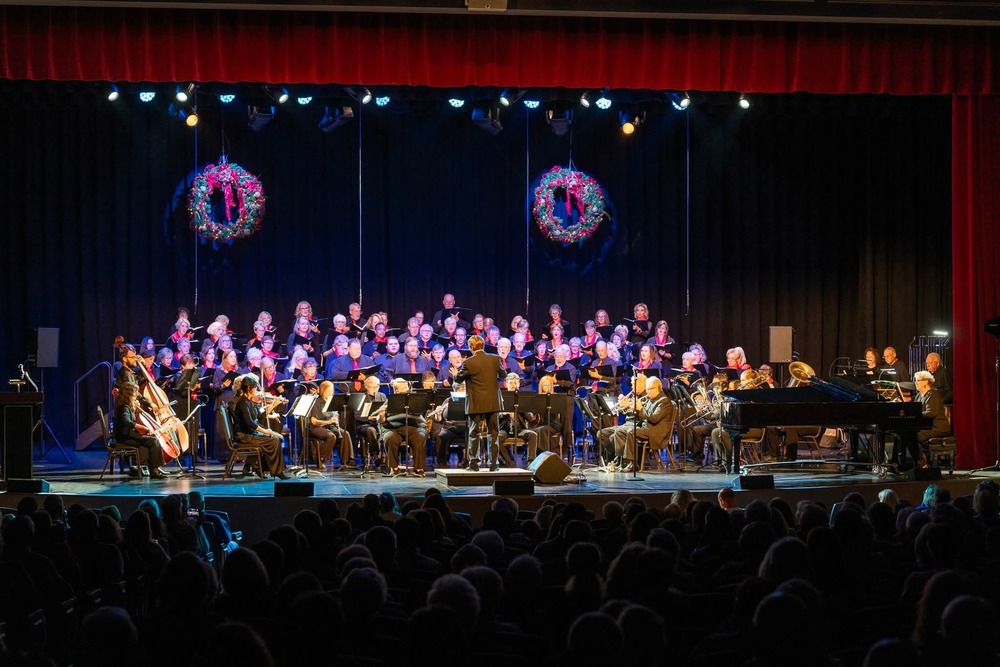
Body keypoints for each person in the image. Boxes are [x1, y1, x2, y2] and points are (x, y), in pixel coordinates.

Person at [453, 335, 505, 471]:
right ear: (483, 345)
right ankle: (494, 464)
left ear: (471, 347)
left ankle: (474, 464)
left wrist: (454, 373)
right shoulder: (495, 359)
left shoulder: (469, 362)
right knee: (494, 432)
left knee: (473, 433)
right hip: (493, 402)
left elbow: (458, 380)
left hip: (476, 402)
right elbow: (504, 375)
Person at [228, 375, 288, 479]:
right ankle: (275, 471)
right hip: (244, 436)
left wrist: (273, 404)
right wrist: (265, 431)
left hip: (249, 433)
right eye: (255, 388)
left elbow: (260, 416)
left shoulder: (248, 402)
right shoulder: (242, 403)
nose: (256, 390)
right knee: (274, 441)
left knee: (276, 438)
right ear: (249, 389)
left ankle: (263, 468)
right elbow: (250, 423)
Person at [612, 376, 675, 471]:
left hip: (656, 432)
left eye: (649, 389)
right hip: (647, 428)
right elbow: (644, 416)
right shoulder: (651, 399)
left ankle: (632, 463)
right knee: (620, 432)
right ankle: (621, 462)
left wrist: (640, 408)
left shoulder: (664, 401)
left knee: (631, 432)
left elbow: (654, 418)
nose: (647, 392)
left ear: (656, 388)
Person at [898, 370, 951, 469]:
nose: (915, 383)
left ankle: (921, 464)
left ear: (926, 382)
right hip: (927, 426)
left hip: (937, 427)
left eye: (918, 380)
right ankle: (902, 463)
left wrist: (916, 415)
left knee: (913, 436)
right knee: (903, 434)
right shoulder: (919, 395)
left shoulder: (933, 394)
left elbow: (931, 412)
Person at [113, 383, 167, 478]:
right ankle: (154, 470)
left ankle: (152, 468)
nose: (138, 394)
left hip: (128, 435)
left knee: (151, 440)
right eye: (136, 392)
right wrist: (144, 428)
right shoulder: (124, 407)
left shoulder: (126, 405)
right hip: (124, 437)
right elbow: (126, 421)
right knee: (154, 441)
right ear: (129, 393)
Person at [381, 378, 429, 476]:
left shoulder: (414, 399)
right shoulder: (389, 401)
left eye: (406, 387)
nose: (406, 390)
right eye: (403, 388)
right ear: (395, 390)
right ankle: (394, 467)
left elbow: (420, 415)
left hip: (414, 428)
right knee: (389, 437)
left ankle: (419, 467)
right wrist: (382, 416)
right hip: (394, 429)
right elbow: (383, 421)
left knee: (420, 436)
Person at [309, 380, 356, 469]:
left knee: (345, 433)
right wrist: (328, 422)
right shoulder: (316, 402)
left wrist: (335, 421)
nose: (331, 393)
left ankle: (347, 460)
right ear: (322, 391)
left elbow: (334, 416)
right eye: (328, 391)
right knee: (331, 436)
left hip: (329, 426)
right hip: (316, 427)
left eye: (332, 391)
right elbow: (313, 421)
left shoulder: (332, 401)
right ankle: (320, 458)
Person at [352, 375, 387, 468]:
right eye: (372, 387)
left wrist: (383, 414)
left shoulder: (382, 396)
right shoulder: (361, 397)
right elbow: (357, 415)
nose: (374, 389)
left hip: (379, 422)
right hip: (364, 424)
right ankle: (375, 455)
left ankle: (388, 457)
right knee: (371, 430)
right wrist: (369, 418)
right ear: (366, 387)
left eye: (376, 387)